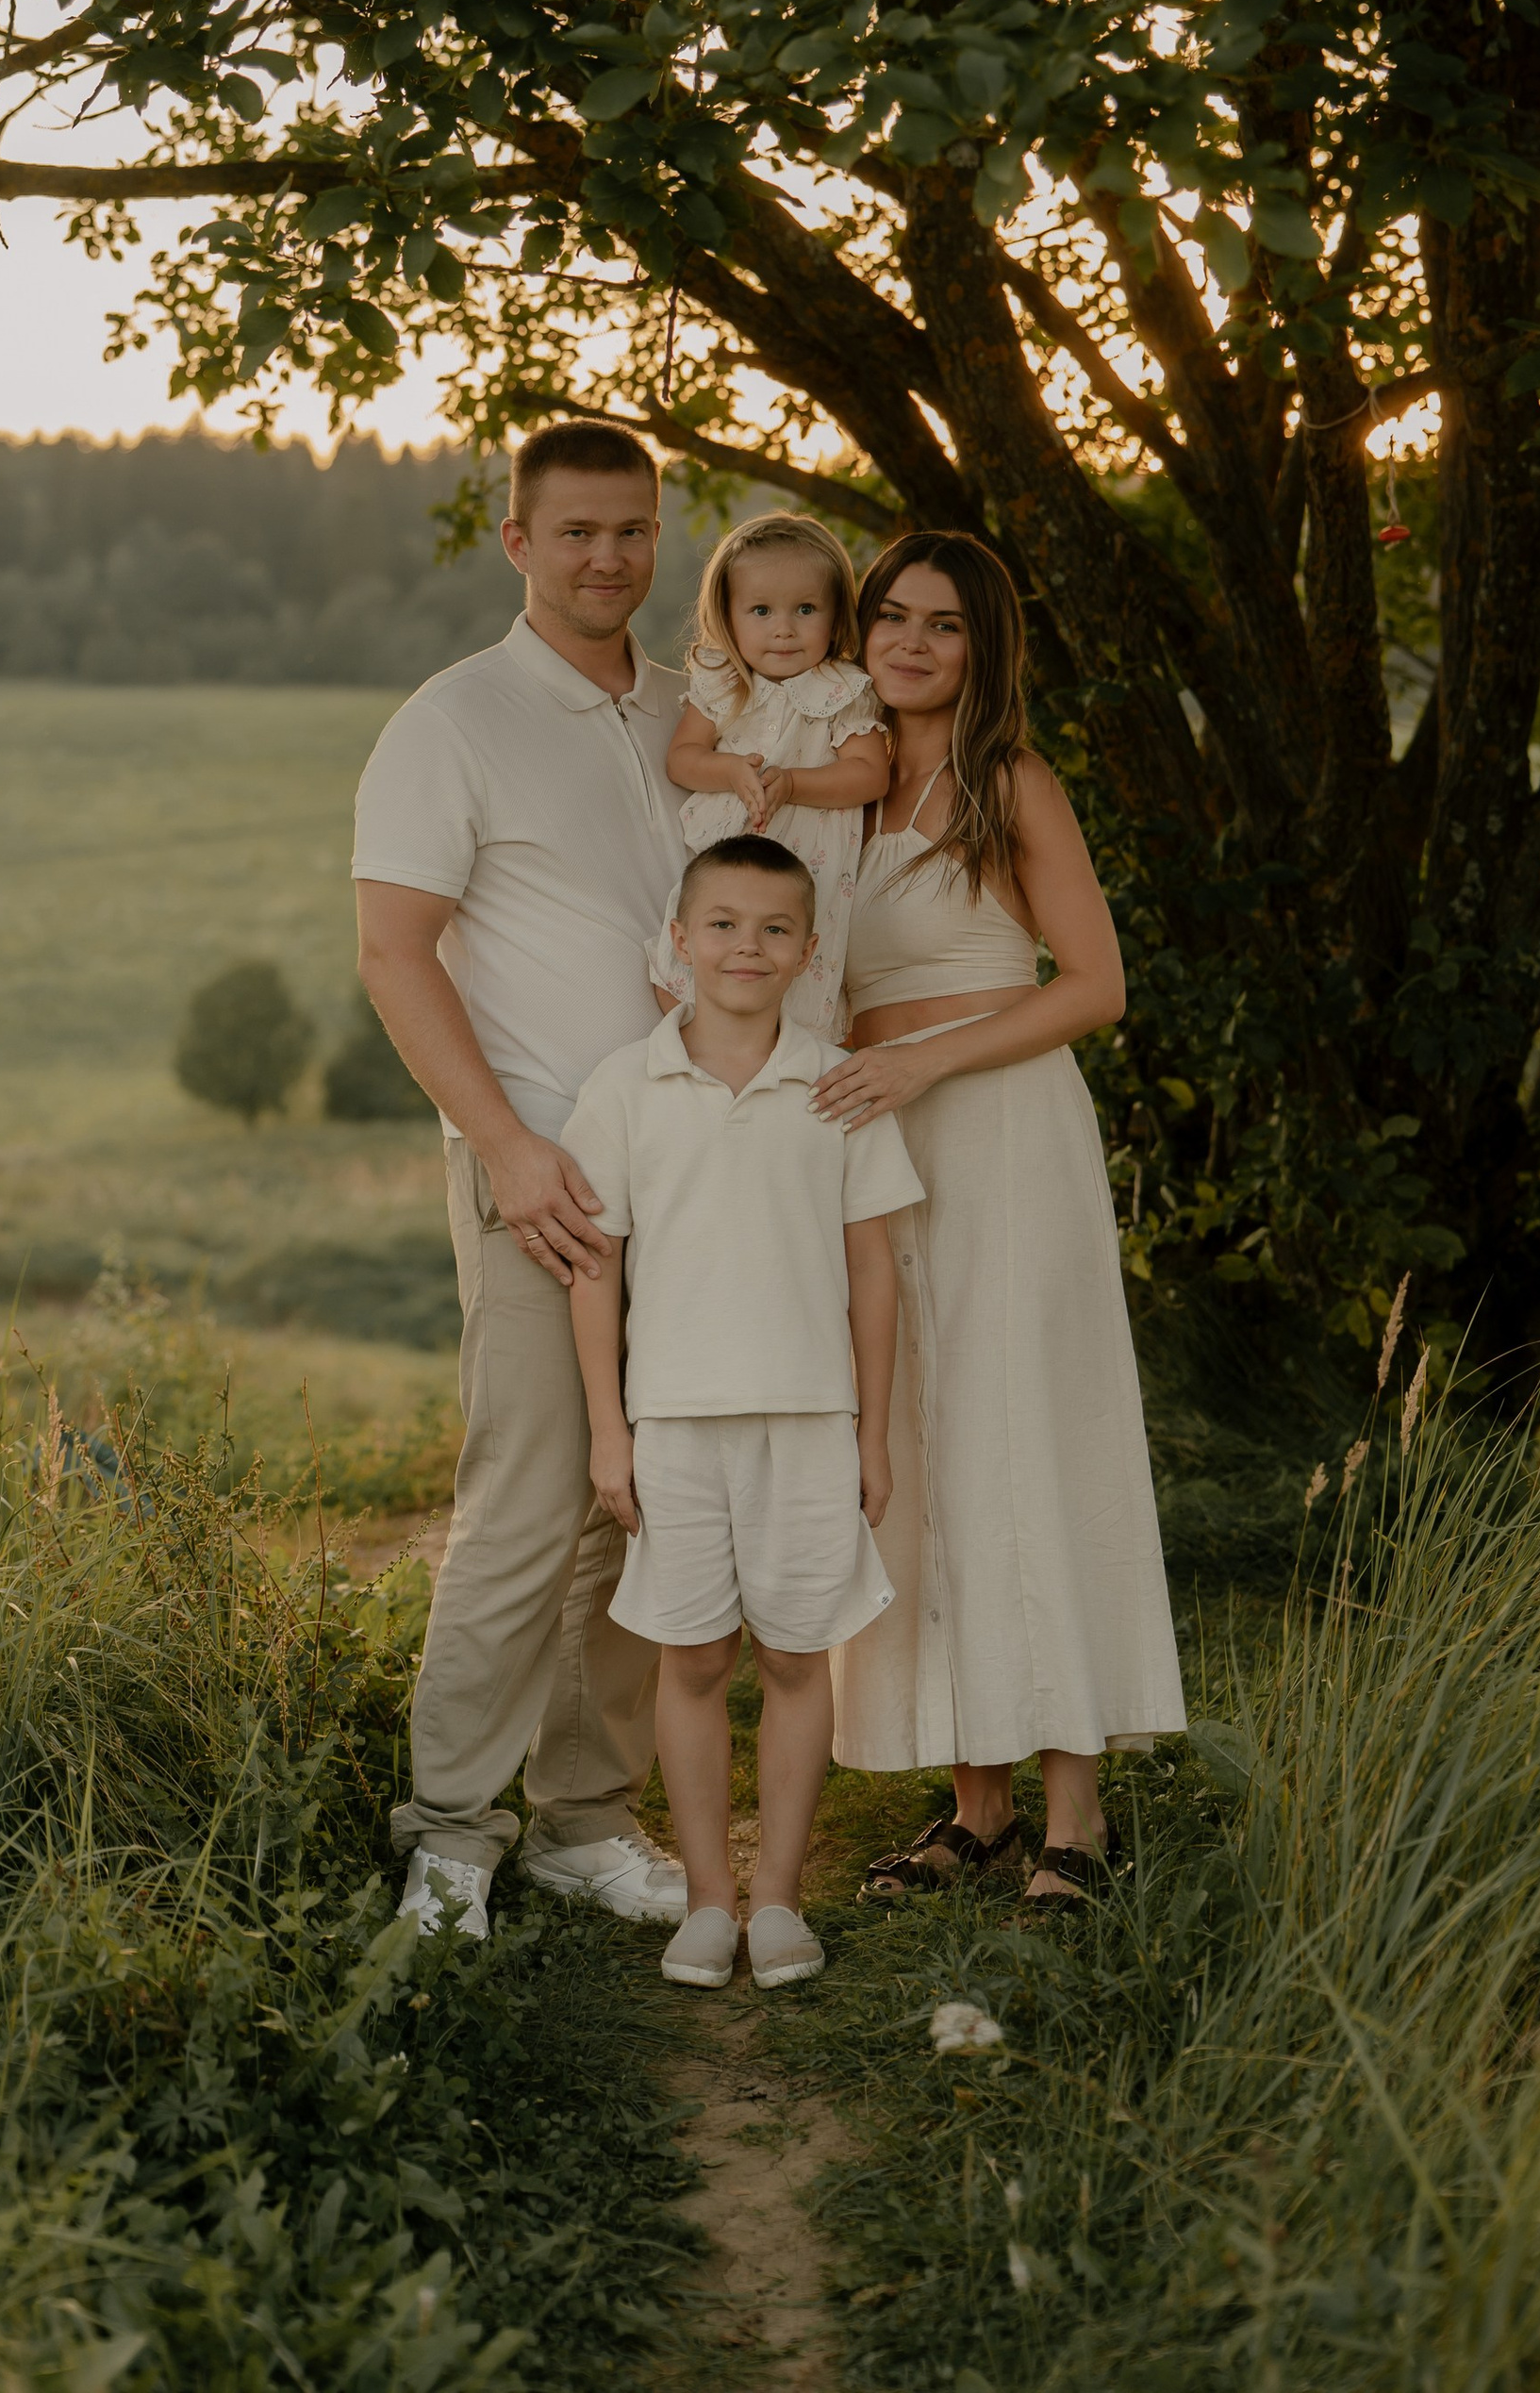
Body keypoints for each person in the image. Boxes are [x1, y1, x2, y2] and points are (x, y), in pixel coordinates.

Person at [352, 421, 688, 1940]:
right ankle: (449, 1837)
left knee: (640, 1508)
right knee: (528, 1503)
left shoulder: (690, 715)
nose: (606, 557)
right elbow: (391, 952)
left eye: (630, 530)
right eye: (575, 532)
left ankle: (583, 1819)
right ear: (517, 542)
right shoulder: (455, 720)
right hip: (541, 1175)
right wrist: (504, 1144)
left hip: (688, 1178)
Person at [816, 531, 1185, 1904]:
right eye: (892, 617)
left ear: (986, 649)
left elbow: (1095, 985)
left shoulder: (1006, 781)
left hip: (1005, 1131)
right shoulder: (842, 797)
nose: (912, 643)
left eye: (946, 625)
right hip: (873, 1142)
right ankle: (972, 1803)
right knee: (913, 1437)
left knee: (1024, 1429)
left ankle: (1076, 1814)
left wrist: (925, 1058)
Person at [566, 833, 919, 1987]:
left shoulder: (837, 1086)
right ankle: (707, 1904)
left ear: (809, 951)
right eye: (721, 924)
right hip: (671, 1421)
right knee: (695, 1658)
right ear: (678, 940)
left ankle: (778, 1903)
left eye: (773, 929)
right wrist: (608, 1431)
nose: (745, 948)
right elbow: (594, 1271)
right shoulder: (623, 1087)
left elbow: (875, 1273)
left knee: (798, 1658)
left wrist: (871, 1432)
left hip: (810, 1422)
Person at [650, 514, 890, 1039]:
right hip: (728, 854)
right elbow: (683, 759)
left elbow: (869, 775)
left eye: (806, 609)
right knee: (695, 960)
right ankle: (697, 1060)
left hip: (811, 859)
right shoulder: (724, 682)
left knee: (796, 961)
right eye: (761, 611)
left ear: (835, 616)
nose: (784, 628)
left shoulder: (843, 689)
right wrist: (731, 769)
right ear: (729, 616)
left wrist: (796, 783)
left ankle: (789, 1066)